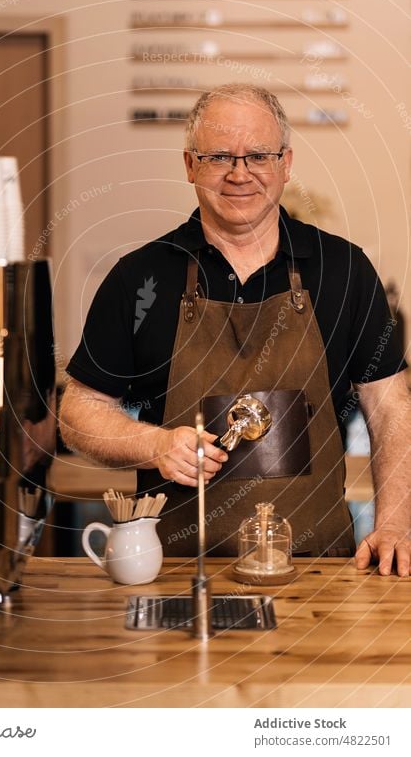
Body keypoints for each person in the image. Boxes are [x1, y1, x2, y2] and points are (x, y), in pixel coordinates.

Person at [60, 83, 410, 576]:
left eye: (258, 155)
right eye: (219, 155)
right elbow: (78, 411)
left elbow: (389, 403)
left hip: (318, 574)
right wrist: (155, 446)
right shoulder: (140, 278)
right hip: (175, 576)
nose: (239, 173)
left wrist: (395, 522)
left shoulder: (344, 270)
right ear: (190, 165)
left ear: (286, 164)